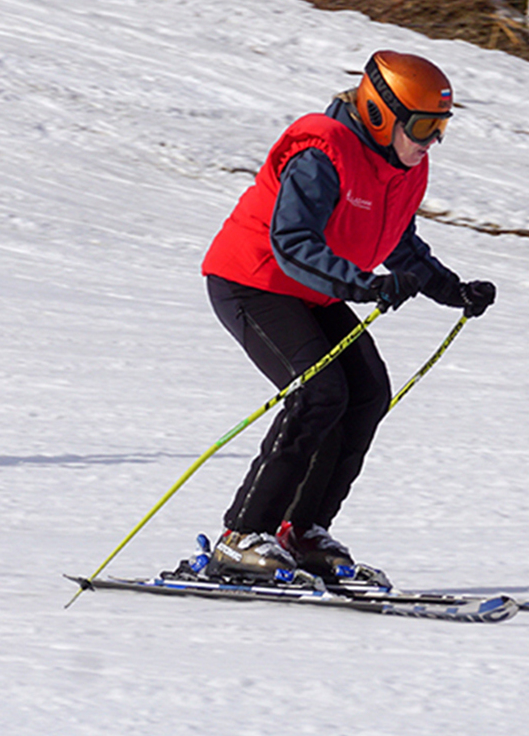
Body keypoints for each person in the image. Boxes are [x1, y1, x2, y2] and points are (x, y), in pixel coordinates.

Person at [200, 50, 497, 580]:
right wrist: (365, 286)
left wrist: (454, 292)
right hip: (253, 281)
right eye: (425, 126)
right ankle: (242, 534)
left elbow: (399, 244)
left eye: (441, 128)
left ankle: (302, 531)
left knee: (366, 394)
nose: (432, 141)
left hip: (315, 292)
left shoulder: (403, 168)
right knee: (320, 391)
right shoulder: (323, 153)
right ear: (381, 114)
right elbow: (290, 240)